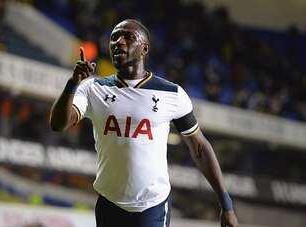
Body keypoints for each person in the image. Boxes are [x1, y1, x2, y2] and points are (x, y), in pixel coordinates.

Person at [50, 19, 239, 227]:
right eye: (114, 38)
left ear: (144, 49)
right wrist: (73, 83)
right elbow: (59, 124)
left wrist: (226, 205)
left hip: (152, 207)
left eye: (128, 37)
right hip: (109, 204)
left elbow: (200, 148)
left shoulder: (172, 94)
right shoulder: (93, 87)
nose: (119, 42)